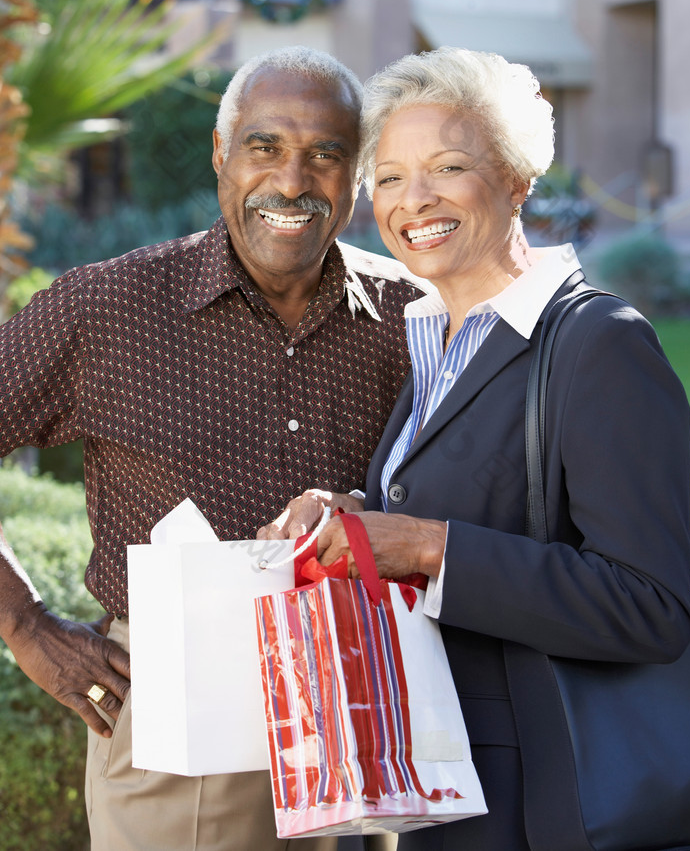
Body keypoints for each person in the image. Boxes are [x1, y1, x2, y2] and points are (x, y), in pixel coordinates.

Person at [258, 47, 690, 851]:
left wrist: (427, 546)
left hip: (536, 804)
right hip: (427, 783)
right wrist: (357, 518)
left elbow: (653, 606)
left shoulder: (599, 343)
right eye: (388, 178)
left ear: (518, 179)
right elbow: (469, 500)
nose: (412, 200)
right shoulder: (431, 338)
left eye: (448, 167)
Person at [0, 46, 429, 851]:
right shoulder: (108, 307)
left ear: (357, 173)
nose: (293, 181)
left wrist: (366, 514)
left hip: (365, 707)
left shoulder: (415, 315)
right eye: (265, 147)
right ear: (221, 154)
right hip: (181, 720)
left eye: (326, 155)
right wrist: (24, 623)